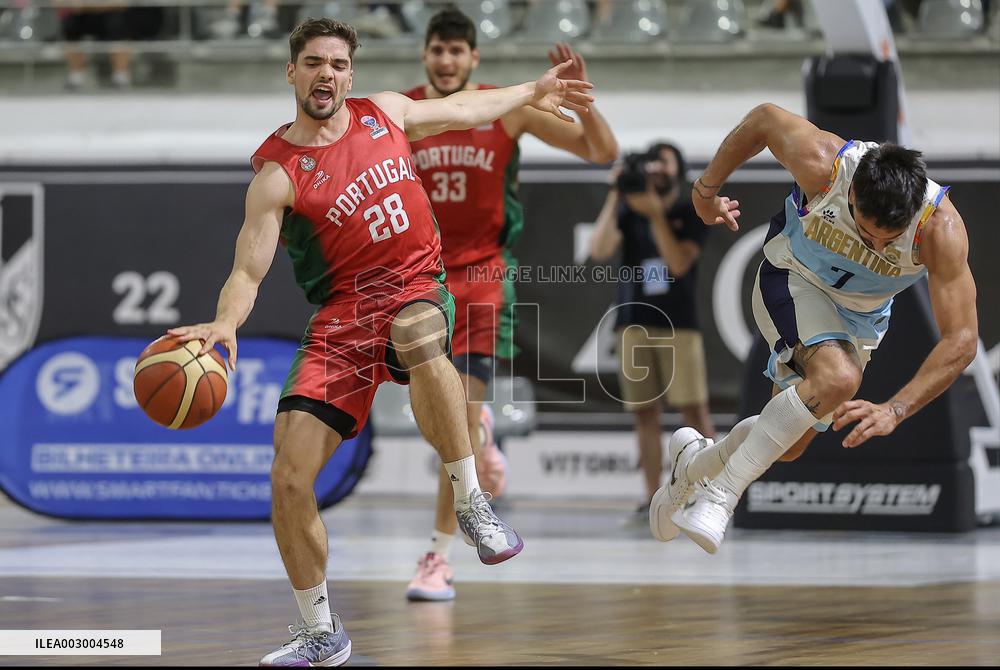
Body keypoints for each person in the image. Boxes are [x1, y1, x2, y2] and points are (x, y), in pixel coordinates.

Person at [167, 17, 595, 667]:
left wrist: (529, 91)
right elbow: (247, 270)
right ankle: (321, 630)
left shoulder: (386, 114)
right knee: (287, 477)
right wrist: (225, 324)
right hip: (341, 320)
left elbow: (463, 108)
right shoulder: (276, 173)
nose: (326, 74)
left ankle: (473, 502)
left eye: (337, 64)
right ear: (292, 73)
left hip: (415, 286)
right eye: (313, 63)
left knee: (419, 332)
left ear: (350, 74)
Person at [649, 103, 978, 554]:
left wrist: (896, 409)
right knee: (840, 379)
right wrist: (705, 191)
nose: (879, 246)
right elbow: (763, 118)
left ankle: (693, 466)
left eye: (890, 239)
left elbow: (961, 339)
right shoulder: (824, 164)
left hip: (857, 319)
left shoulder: (941, 229)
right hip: (793, 276)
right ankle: (720, 494)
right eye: (867, 233)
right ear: (852, 195)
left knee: (786, 445)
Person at [400, 8, 618, 602]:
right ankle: (484, 436)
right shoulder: (403, 114)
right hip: (418, 281)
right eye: (437, 50)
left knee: (458, 422)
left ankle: (438, 559)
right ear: (425, 57)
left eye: (456, 51)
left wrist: (583, 101)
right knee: (440, 424)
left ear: (474, 60)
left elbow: (602, 152)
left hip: (483, 277)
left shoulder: (506, 107)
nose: (446, 60)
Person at [589, 141, 716, 523]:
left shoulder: (692, 209)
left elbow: (678, 263)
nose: (657, 170)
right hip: (633, 321)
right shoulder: (629, 208)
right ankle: (652, 497)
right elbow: (599, 249)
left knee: (693, 410)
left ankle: (711, 494)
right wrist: (617, 193)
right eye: (651, 164)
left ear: (679, 168)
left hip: (678, 323)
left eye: (665, 162)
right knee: (645, 413)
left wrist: (656, 215)